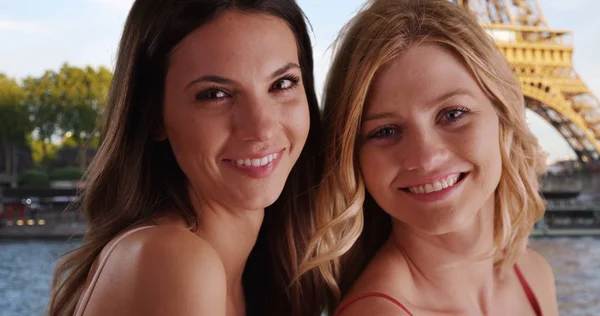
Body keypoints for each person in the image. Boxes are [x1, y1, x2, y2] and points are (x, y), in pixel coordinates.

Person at [46, 1, 327, 315]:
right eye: (214, 94)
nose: (261, 129)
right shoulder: (174, 262)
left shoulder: (253, 270)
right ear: (154, 117)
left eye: (282, 84)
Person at [299, 0, 559, 315]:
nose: (424, 157)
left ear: (503, 113)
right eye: (385, 131)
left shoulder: (534, 273)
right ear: (353, 157)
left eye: (453, 114)